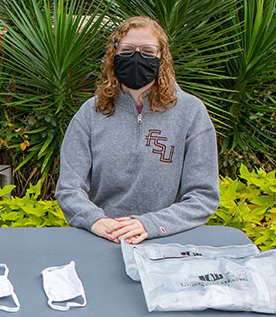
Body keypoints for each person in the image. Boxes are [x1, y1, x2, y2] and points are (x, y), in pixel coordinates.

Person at [55, 16, 220, 245]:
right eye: (128, 49)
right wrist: (96, 221)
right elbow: (69, 189)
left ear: (162, 57)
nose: (137, 57)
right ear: (114, 54)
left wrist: (149, 225)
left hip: (166, 240)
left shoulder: (191, 112)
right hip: (103, 237)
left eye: (147, 51)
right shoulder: (90, 113)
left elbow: (203, 196)